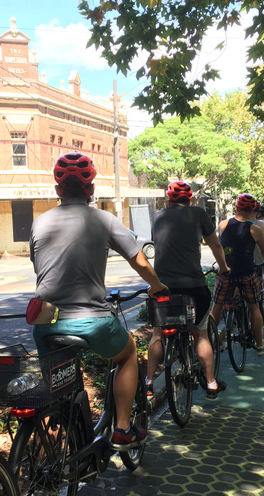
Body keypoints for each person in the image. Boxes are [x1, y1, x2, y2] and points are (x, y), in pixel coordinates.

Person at [29, 151, 167, 450]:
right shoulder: (104, 219)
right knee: (127, 354)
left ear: (57, 190)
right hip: (91, 320)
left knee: (59, 386)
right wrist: (156, 285)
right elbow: (141, 262)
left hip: (44, 320)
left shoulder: (39, 223)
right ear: (91, 190)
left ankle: (62, 447)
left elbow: (40, 268)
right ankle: (121, 429)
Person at [146, 181, 230, 400]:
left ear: (168, 199)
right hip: (193, 286)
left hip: (163, 287)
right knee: (200, 333)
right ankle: (211, 383)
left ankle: (147, 383)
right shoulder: (199, 213)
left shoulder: (157, 217)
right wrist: (223, 268)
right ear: (191, 198)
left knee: (157, 333)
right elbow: (215, 245)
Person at [210, 193, 264, 357]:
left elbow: (219, 244)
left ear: (236, 208)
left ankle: (209, 342)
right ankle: (259, 345)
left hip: (226, 274)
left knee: (216, 306)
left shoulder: (223, 224)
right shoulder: (256, 230)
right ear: (252, 211)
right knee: (254, 308)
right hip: (247, 274)